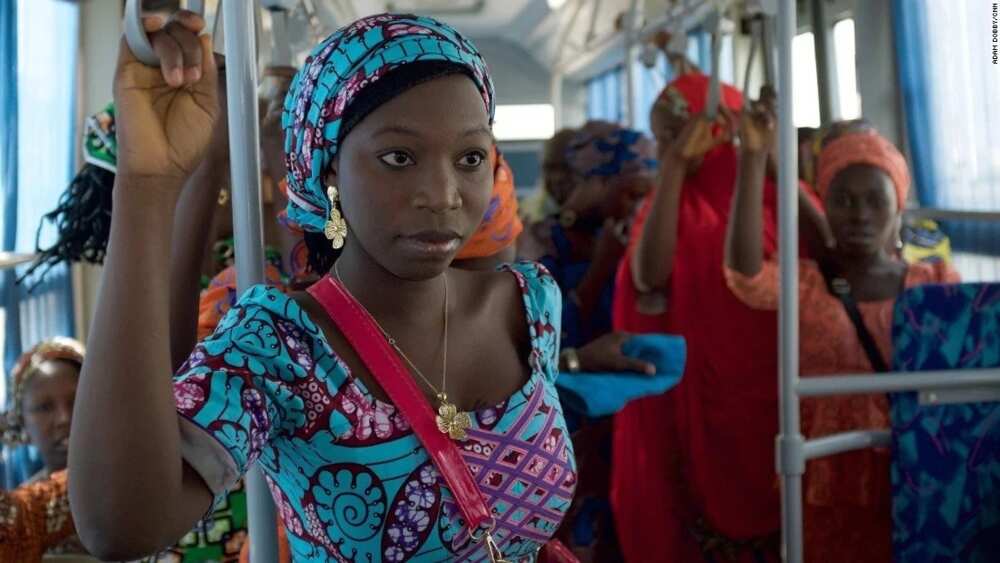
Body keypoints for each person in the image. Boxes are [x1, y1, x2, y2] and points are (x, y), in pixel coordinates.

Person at [69, 12, 578, 563]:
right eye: (399, 158)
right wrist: (146, 184)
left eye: (470, 158)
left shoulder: (530, 306)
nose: (443, 193)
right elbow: (119, 525)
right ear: (327, 169)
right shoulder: (280, 347)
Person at [724, 107, 960, 562]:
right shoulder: (805, 283)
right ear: (824, 204)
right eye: (844, 200)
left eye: (875, 200)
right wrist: (754, 158)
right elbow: (744, 274)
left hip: (914, 464)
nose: (860, 215)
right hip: (826, 472)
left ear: (898, 206)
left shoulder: (935, 283)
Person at [610, 73, 787, 563]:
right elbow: (649, 275)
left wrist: (769, 161)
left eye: (676, 133)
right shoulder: (673, 191)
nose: (670, 144)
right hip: (682, 386)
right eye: (662, 137)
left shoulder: (760, 183)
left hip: (755, 387)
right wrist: (673, 168)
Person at [0, 338, 90, 560]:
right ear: (22, 424)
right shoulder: (23, 516)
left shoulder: (141, 486)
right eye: (44, 407)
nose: (64, 418)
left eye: (77, 399)